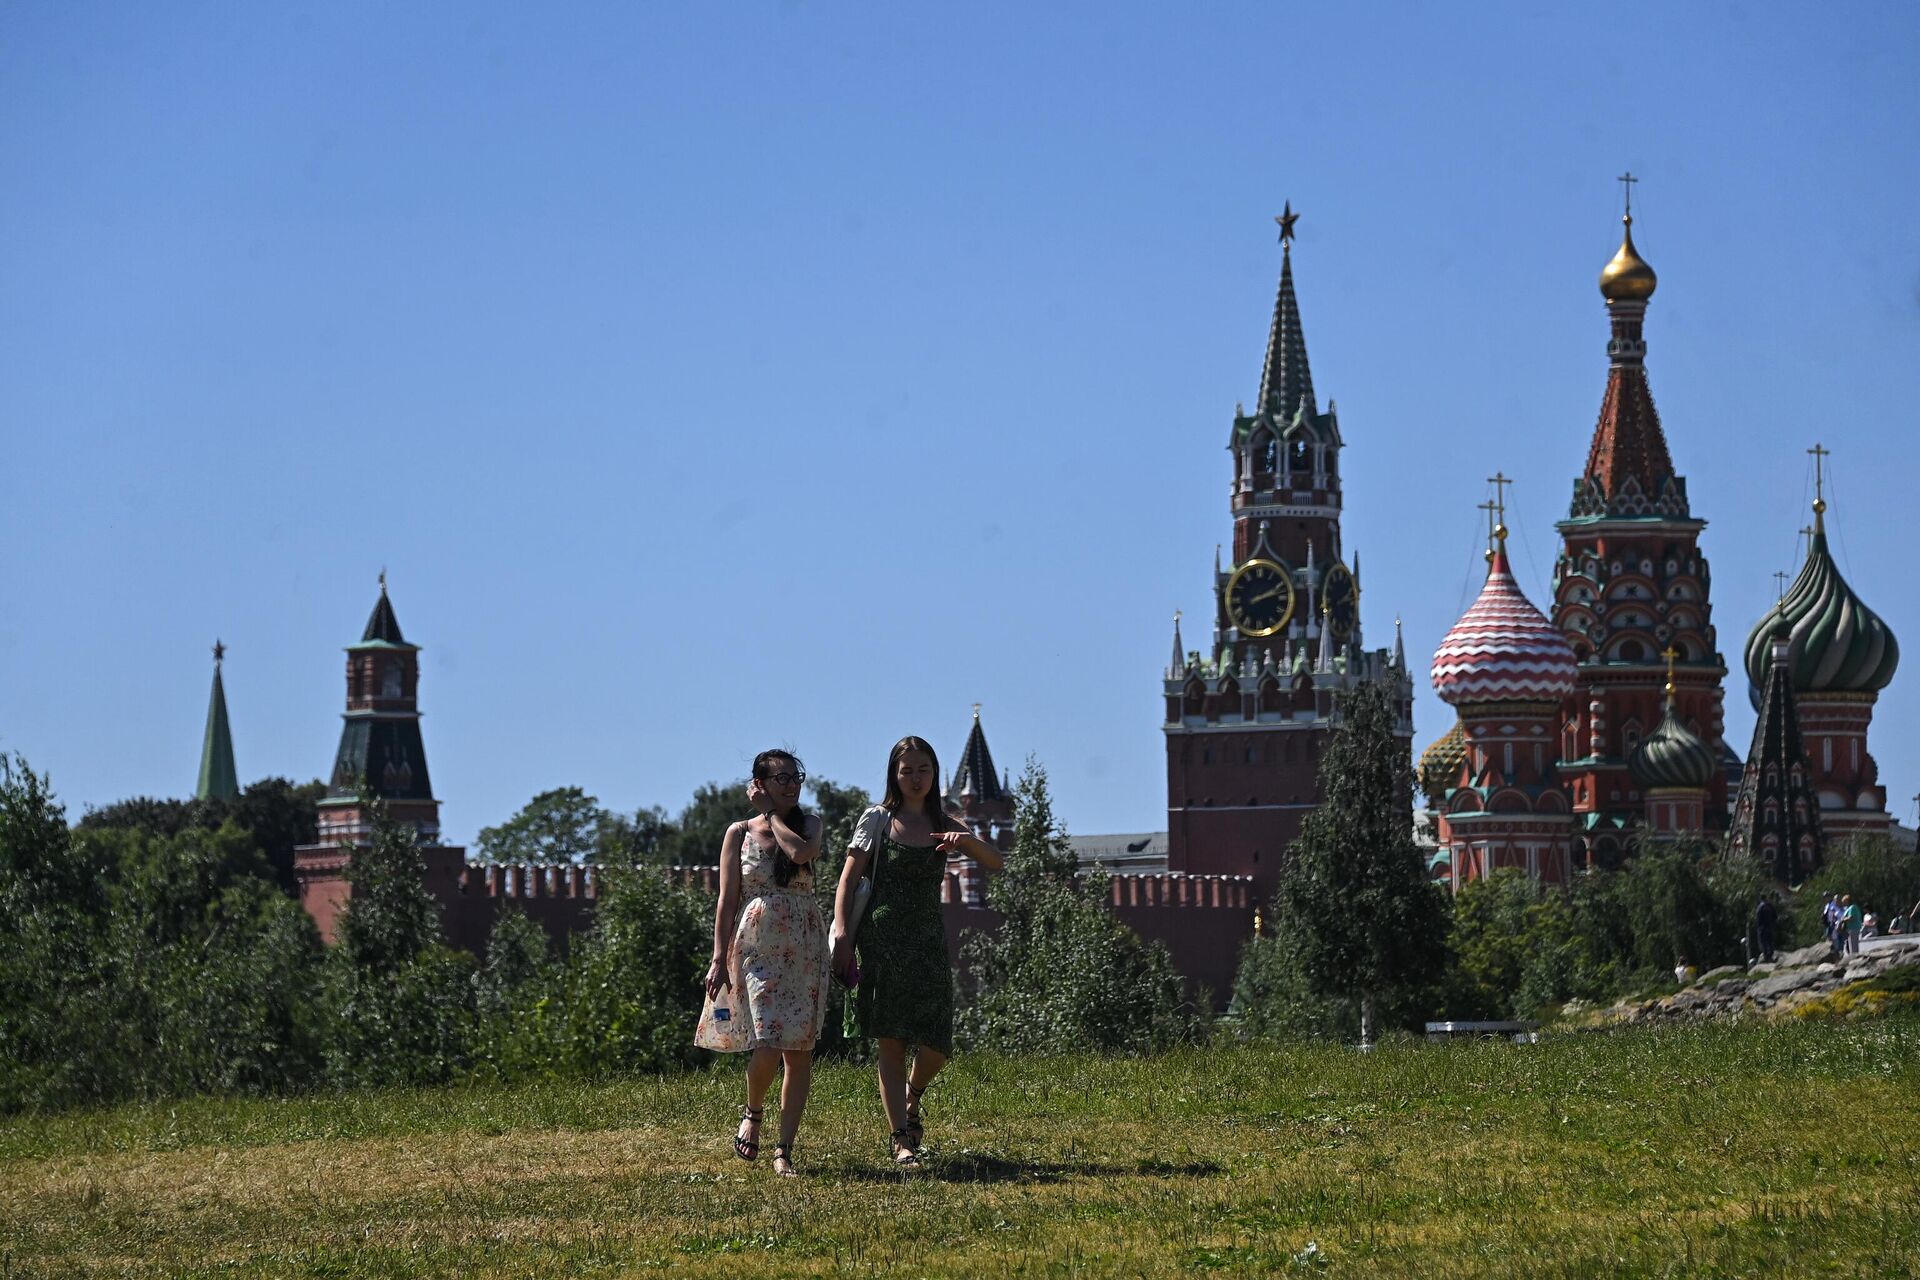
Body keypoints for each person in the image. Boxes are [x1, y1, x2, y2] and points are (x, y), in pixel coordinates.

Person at [830, 735, 1005, 1168]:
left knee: (937, 1043)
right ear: (894, 774)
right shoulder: (877, 820)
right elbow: (848, 878)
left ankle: (912, 1096)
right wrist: (841, 932)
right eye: (906, 770)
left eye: (922, 769)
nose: (914, 778)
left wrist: (961, 842)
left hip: (927, 941)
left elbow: (995, 861)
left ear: (935, 773)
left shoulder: (944, 822)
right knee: (889, 1042)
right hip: (881, 940)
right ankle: (901, 1139)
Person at [694, 750, 828, 1178]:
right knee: (767, 1040)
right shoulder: (737, 833)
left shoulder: (809, 826)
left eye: (796, 776)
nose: (791, 784)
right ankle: (753, 1113)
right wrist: (717, 957)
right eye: (781, 777)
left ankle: (783, 1150)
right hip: (756, 944)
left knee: (799, 1051)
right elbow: (726, 898)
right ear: (760, 782)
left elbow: (801, 855)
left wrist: (771, 815)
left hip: (804, 944)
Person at [1753, 894, 1777, 964]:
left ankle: (1766, 956)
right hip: (1770, 927)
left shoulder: (1760, 907)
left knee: (1763, 942)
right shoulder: (1770, 906)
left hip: (1762, 928)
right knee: (1770, 942)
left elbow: (1758, 919)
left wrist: (1758, 927)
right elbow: (1775, 916)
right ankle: (1770, 955)